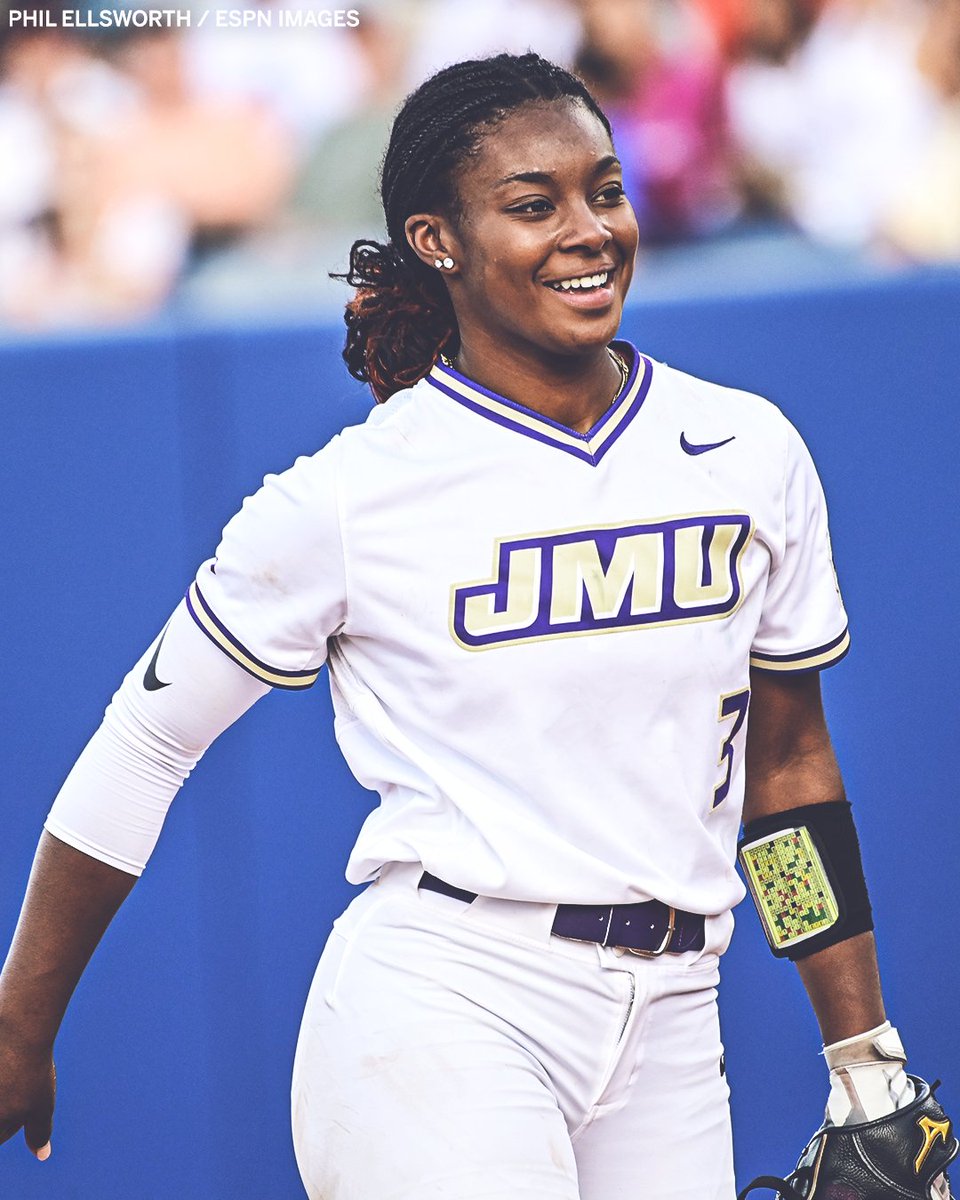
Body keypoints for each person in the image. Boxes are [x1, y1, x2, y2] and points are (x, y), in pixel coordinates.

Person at [0, 52, 952, 1200]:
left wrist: (864, 1057)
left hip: (672, 1022)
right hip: (448, 1000)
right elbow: (145, 745)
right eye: (532, 203)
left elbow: (789, 766)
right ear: (437, 239)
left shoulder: (748, 449)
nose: (590, 228)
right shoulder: (349, 497)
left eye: (604, 189)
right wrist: (21, 1020)